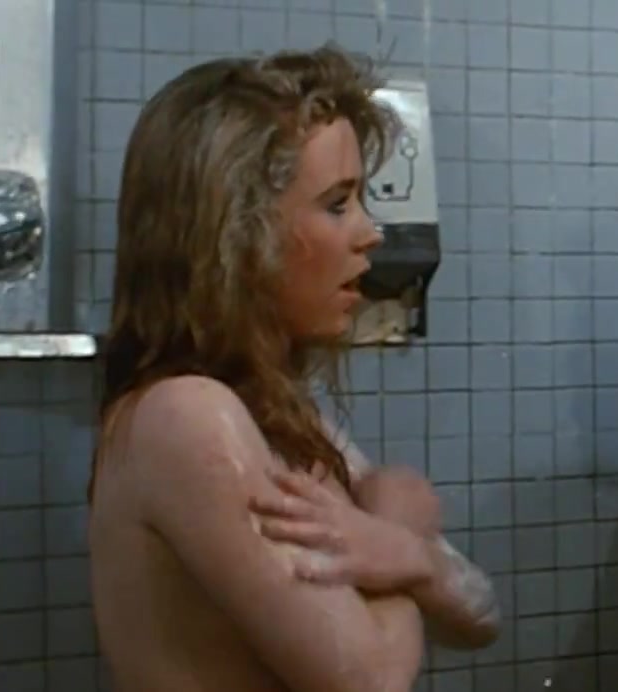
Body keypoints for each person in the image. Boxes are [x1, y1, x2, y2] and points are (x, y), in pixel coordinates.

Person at [87, 45, 500, 692]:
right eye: (337, 204)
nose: (371, 233)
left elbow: (479, 616)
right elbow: (371, 681)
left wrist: (406, 554)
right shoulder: (187, 416)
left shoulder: (279, 411)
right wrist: (398, 532)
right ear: (236, 235)